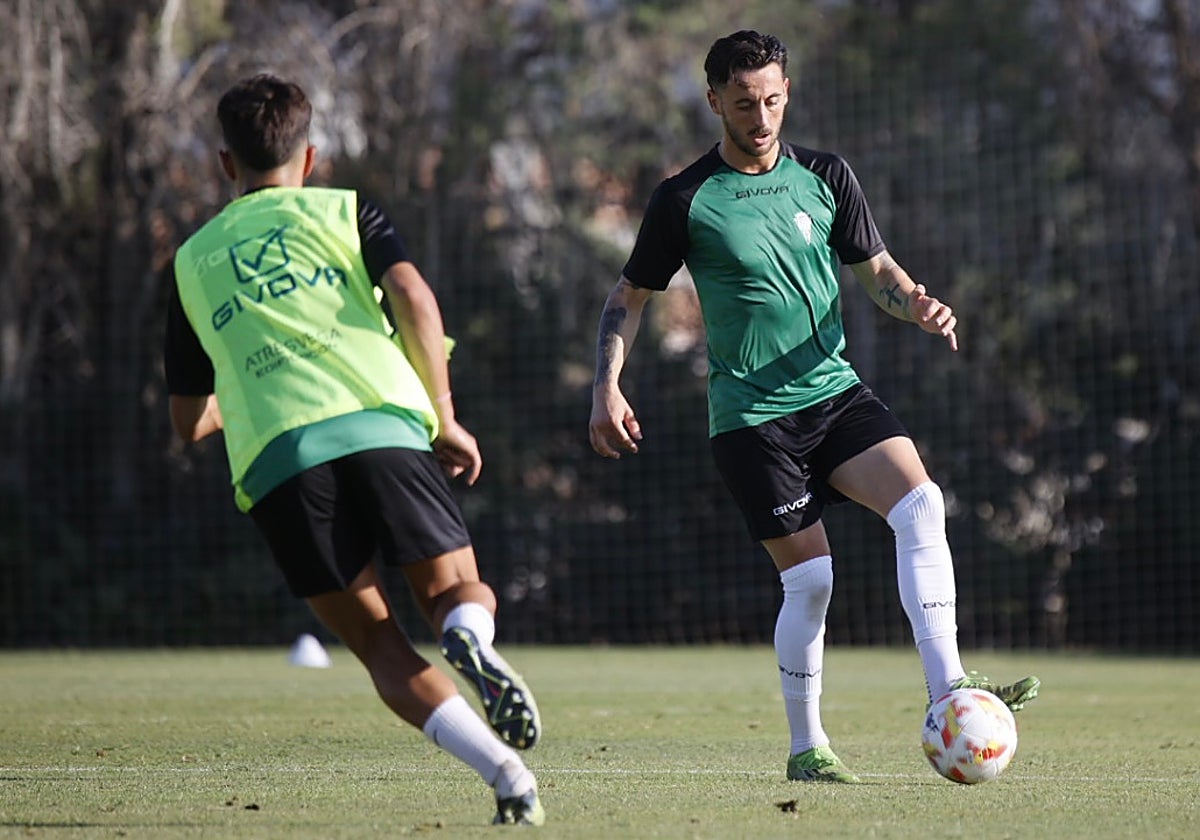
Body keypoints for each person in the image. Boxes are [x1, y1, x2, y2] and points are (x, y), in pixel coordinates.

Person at [588, 30, 1040, 784]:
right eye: (743, 104)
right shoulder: (685, 198)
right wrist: (606, 385)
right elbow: (627, 299)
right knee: (813, 582)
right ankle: (808, 749)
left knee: (921, 504)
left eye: (770, 100)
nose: (760, 117)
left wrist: (916, 304)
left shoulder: (826, 175)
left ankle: (950, 689)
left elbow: (880, 271)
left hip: (835, 395)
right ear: (714, 103)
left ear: (786, 92)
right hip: (752, 422)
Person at [164, 74, 544, 825]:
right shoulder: (345, 210)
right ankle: (469, 638)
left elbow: (188, 419)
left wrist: (240, 400)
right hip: (381, 426)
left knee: (376, 641)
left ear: (224, 163)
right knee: (451, 594)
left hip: (279, 460)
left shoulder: (190, 263)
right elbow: (413, 298)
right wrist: (444, 415)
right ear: (309, 159)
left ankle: (507, 776)